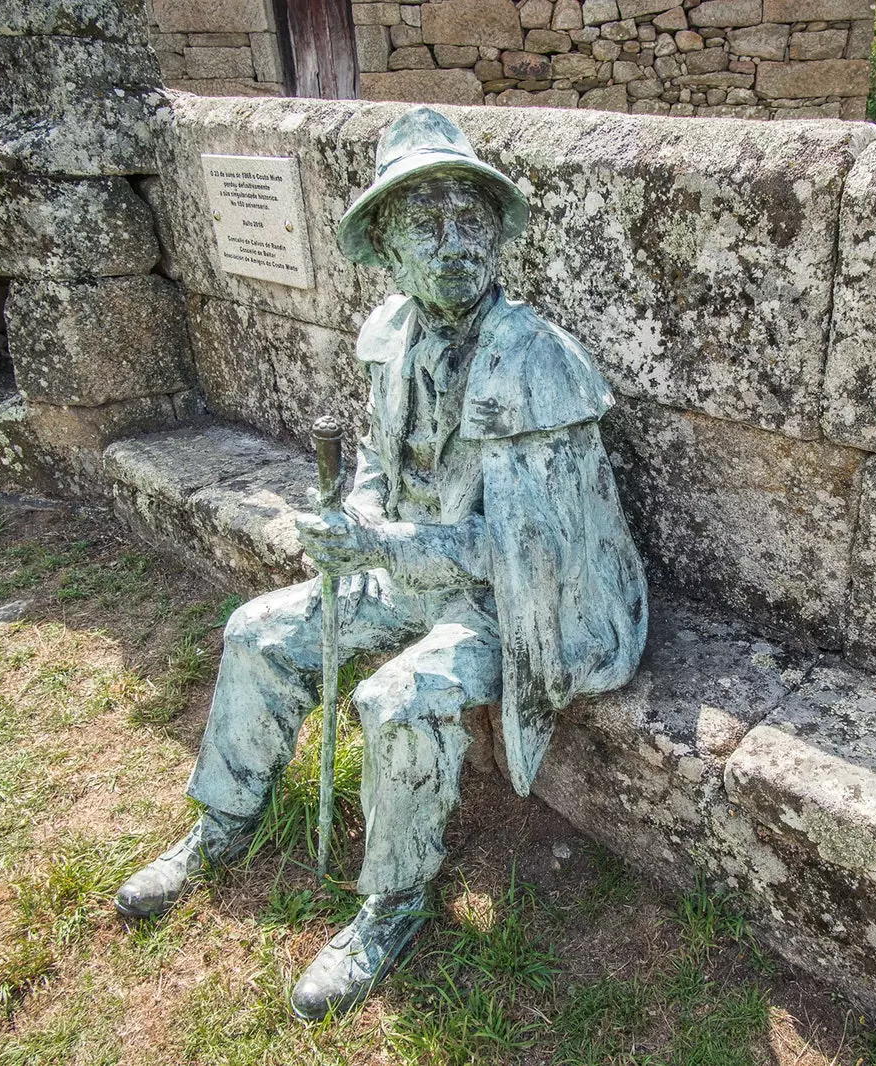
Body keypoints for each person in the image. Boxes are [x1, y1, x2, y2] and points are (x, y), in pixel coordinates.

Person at [113, 106, 648, 1021]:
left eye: (468, 221)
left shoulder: (540, 365)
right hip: (406, 569)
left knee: (397, 699)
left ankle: (391, 902)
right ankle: (223, 822)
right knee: (258, 631)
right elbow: (374, 465)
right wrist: (352, 516)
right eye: (423, 225)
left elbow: (530, 556)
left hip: (515, 603)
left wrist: (384, 543)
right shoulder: (390, 335)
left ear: (496, 234)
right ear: (386, 249)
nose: (450, 246)